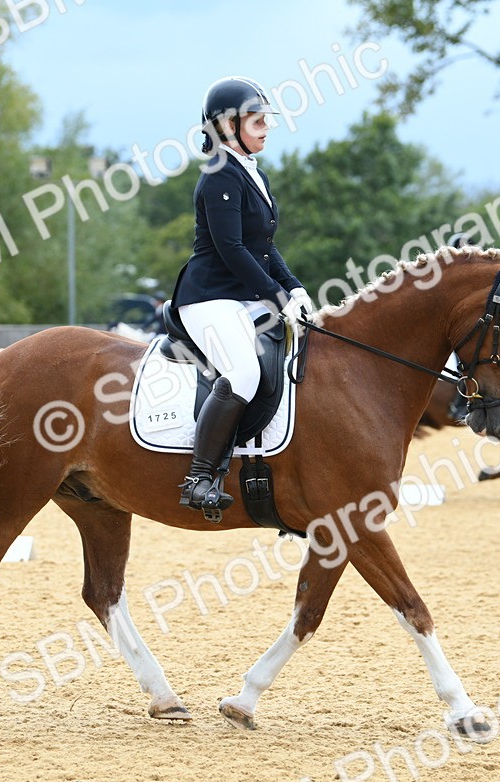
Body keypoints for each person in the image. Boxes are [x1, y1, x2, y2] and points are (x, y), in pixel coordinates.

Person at [170, 76, 314, 513]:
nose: (266, 127)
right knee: (244, 374)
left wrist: (294, 288)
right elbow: (231, 250)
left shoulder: (254, 173)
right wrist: (275, 297)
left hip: (244, 296)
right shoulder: (218, 175)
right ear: (228, 127)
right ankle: (198, 478)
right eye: (257, 121)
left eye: (266, 119)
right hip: (210, 296)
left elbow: (264, 246)